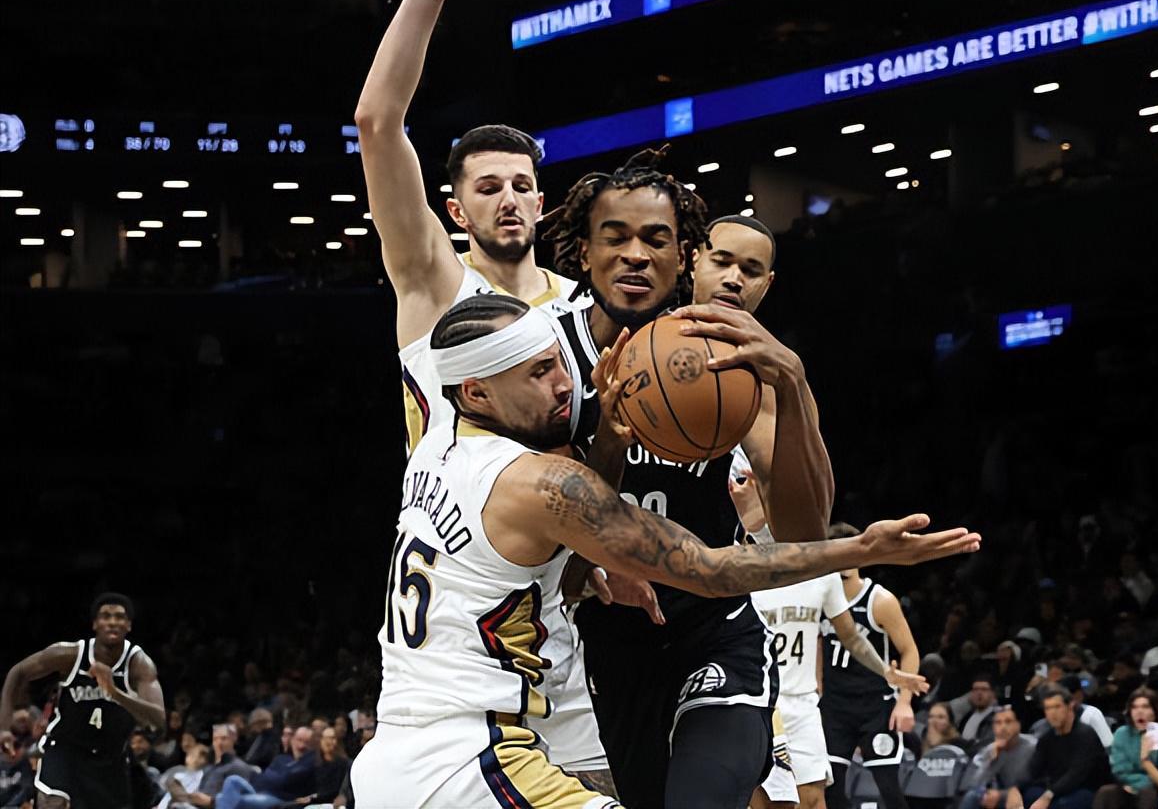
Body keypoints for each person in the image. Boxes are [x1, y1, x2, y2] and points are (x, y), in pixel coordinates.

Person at [350, 294, 980, 808]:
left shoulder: (433, 446)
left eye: (558, 362)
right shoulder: (537, 482)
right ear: (477, 393)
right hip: (469, 763)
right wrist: (859, 548)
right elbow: (707, 569)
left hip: (394, 754)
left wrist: (609, 453)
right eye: (538, 374)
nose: (565, 384)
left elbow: (529, 567)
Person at [353, 0, 609, 790]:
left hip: (572, 601)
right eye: (488, 186)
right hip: (468, 599)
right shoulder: (436, 285)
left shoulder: (589, 310)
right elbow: (376, 122)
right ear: (455, 209)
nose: (507, 198)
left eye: (521, 184)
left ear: (542, 201)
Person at [546, 149, 836, 807]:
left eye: (751, 271)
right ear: (694, 261)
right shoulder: (558, 354)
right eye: (723, 261)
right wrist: (609, 452)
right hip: (610, 643)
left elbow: (806, 533)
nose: (733, 279)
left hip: (715, 630)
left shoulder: (748, 370)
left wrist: (792, 385)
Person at [733, 468, 928, 809]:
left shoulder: (823, 575)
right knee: (765, 801)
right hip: (762, 701)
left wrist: (885, 671)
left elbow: (850, 636)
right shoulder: (742, 567)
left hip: (804, 705)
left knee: (813, 800)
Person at [0, 593, 166, 809]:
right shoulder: (70, 655)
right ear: (95, 624)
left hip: (111, 756)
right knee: (52, 801)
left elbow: (158, 721)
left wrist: (115, 692)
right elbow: (17, 672)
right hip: (65, 747)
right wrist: (4, 728)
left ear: (129, 625)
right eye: (106, 616)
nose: (112, 622)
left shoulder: (139, 665)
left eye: (119, 617)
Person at [819, 525, 925, 809]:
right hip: (835, 706)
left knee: (887, 787)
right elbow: (817, 647)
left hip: (875, 705)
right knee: (830, 787)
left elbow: (909, 650)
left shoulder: (880, 600)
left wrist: (904, 702)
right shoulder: (819, 597)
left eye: (848, 553)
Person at [1010, 685, 1110, 809]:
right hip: (1056, 788)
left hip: (1086, 788)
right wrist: (1015, 787)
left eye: (1057, 707)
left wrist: (1048, 795)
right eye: (1048, 708)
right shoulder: (1047, 738)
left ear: (1070, 706)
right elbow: (1032, 769)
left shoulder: (1086, 734)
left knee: (1063, 804)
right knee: (1029, 794)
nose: (1052, 713)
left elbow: (1076, 774)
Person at [1092, 689, 1158, 809]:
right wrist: (1138, 784)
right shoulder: (1122, 733)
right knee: (1106, 792)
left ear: (1155, 711)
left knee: (1148, 793)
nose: (1139, 711)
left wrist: (1145, 764)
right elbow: (1120, 770)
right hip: (1126, 787)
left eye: (1145, 707)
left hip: (1155, 789)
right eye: (1134, 707)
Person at [216, 727, 317, 809]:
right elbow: (268, 778)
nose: (301, 746)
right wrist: (274, 777)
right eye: (299, 740)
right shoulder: (281, 758)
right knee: (231, 781)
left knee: (238, 801)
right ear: (293, 740)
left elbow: (283, 780)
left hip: (280, 800)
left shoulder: (309, 762)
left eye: (307, 742)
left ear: (313, 745)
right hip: (259, 790)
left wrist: (271, 777)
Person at [960, 707, 1036, 809]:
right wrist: (991, 761)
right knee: (972, 796)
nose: (1003, 727)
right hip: (1001, 794)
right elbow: (975, 784)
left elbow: (1028, 780)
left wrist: (1003, 794)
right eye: (998, 723)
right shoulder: (991, 749)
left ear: (1018, 725)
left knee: (1033, 793)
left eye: (1008, 722)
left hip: (1027, 793)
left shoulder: (1032, 746)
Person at [959, 674, 1002, 751]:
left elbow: (987, 746)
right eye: (975, 689)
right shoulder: (968, 715)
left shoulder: (1000, 717)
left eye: (984, 689)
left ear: (993, 693)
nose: (979, 693)